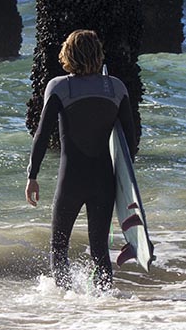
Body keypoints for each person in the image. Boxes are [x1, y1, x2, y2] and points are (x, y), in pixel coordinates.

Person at [26, 30, 137, 290]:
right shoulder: (116, 88)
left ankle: (65, 303)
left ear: (68, 54)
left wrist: (32, 176)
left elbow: (42, 136)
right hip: (104, 181)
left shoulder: (59, 87)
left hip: (71, 180)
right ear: (98, 54)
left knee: (59, 245)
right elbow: (129, 144)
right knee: (99, 249)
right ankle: (104, 302)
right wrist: (126, 190)